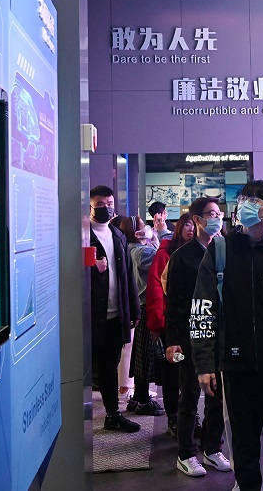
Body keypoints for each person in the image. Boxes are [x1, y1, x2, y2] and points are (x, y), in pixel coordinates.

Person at [191, 180, 263, 491]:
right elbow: (202, 309)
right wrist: (205, 364)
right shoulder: (221, 249)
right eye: (243, 199)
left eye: (253, 200)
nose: (244, 205)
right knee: (243, 445)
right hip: (235, 367)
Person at [165, 198, 228, 477]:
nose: (216, 218)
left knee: (217, 393)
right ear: (197, 219)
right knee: (189, 393)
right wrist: (173, 340)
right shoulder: (182, 256)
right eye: (210, 214)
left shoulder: (224, 250)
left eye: (218, 213)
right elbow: (174, 302)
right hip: (189, 334)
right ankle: (186, 453)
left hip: (219, 334)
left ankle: (212, 448)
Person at [87, 185, 141, 433]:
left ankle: (112, 414)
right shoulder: (82, 234)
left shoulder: (117, 234)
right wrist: (91, 267)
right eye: (100, 204)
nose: (106, 208)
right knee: (90, 367)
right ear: (90, 206)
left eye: (109, 204)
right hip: (89, 316)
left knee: (110, 365)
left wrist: (134, 310)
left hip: (115, 313)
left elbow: (128, 275)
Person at [147, 212, 193, 437]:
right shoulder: (166, 253)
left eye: (195, 224)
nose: (191, 229)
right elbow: (155, 289)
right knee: (174, 372)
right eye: (187, 224)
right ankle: (174, 417)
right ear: (179, 228)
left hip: (194, 326)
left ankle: (189, 416)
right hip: (172, 327)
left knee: (190, 374)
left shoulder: (202, 253)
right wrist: (157, 323)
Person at [120, 215, 166, 417]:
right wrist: (157, 238)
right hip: (148, 306)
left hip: (137, 306)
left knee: (138, 355)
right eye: (143, 226)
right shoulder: (144, 252)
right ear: (136, 232)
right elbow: (164, 262)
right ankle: (143, 400)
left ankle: (138, 397)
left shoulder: (128, 249)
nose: (147, 228)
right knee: (146, 356)